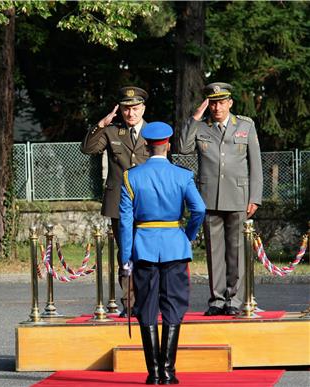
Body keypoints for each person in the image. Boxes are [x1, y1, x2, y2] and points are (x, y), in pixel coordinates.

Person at [119, 122, 206, 385]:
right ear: (168, 146)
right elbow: (199, 209)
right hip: (174, 247)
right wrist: (186, 236)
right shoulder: (182, 175)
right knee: (173, 305)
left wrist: (126, 258)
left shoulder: (131, 177)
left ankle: (153, 373)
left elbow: (125, 222)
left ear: (146, 146)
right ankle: (168, 371)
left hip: (143, 248)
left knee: (146, 307)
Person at [178, 82, 263, 316]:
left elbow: (256, 164)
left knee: (236, 251)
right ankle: (216, 299)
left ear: (230, 103)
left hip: (238, 196)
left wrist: (255, 196)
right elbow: (183, 148)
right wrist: (195, 117)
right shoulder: (202, 127)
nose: (217, 107)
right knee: (214, 251)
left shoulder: (245, 126)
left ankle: (235, 299)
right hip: (209, 198)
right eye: (213, 103)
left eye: (221, 102)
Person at [81, 86, 150, 316]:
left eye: (135, 108)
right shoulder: (112, 132)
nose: (130, 113)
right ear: (120, 110)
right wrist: (101, 125)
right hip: (119, 202)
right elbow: (88, 148)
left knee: (146, 253)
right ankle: (129, 302)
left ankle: (147, 300)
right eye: (126, 109)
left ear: (143, 108)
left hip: (146, 203)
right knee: (125, 253)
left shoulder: (153, 132)